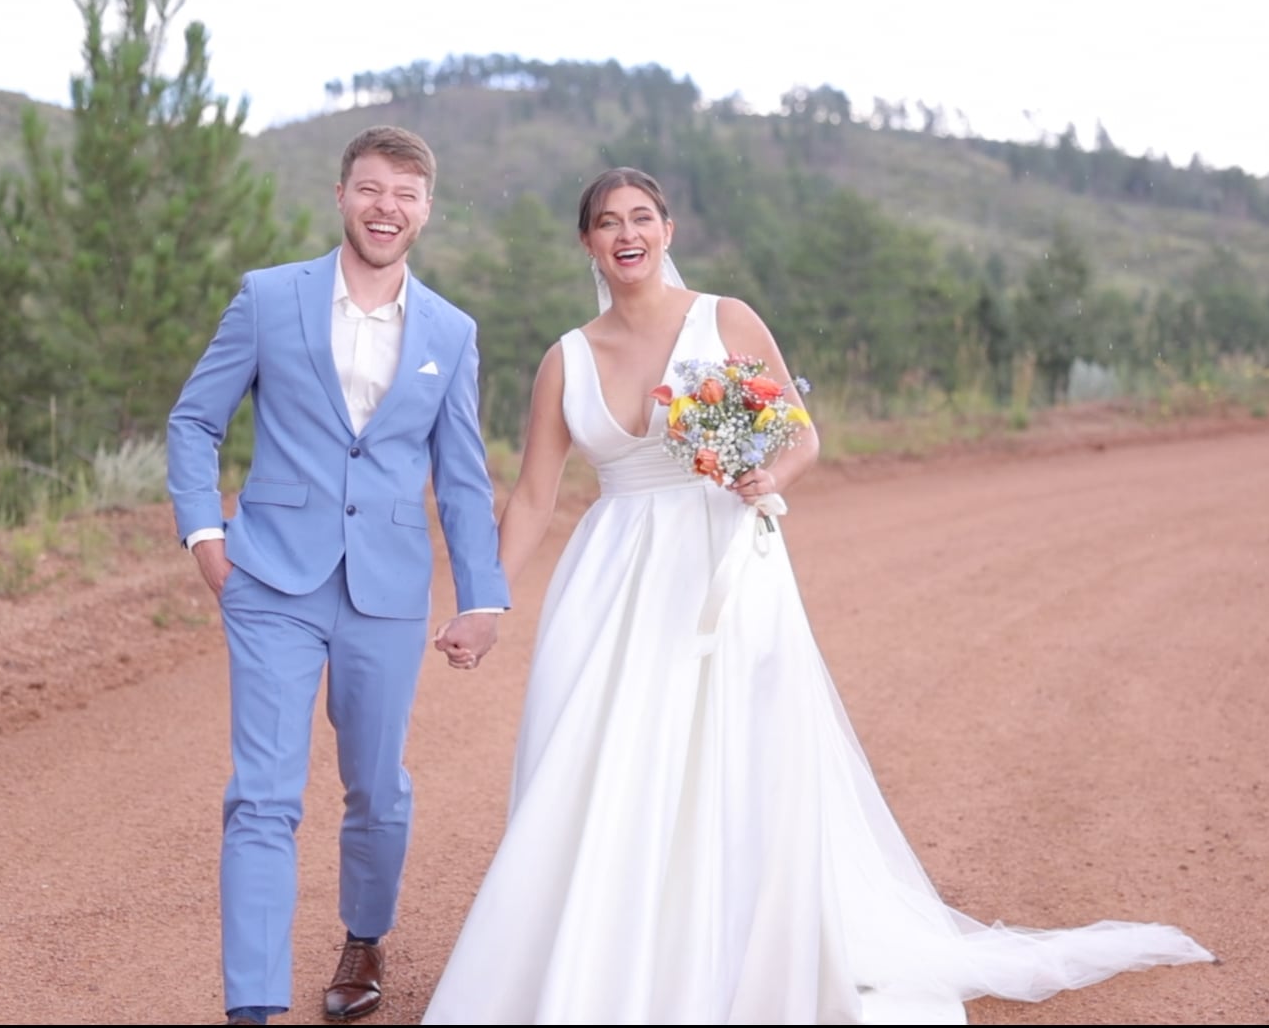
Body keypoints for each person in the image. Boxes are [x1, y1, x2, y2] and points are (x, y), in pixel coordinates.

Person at [419, 167, 1216, 1024]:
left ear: (669, 229)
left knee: (732, 758)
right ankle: (598, 962)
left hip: (723, 563)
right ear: (586, 242)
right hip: (610, 581)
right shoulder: (564, 359)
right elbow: (536, 495)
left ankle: (727, 960)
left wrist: (768, 473)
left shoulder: (724, 320)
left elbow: (800, 432)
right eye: (607, 222)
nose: (627, 233)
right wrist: (485, 602)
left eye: (642, 217)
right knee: (594, 761)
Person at [166, 125, 511, 1026]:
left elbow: (463, 477)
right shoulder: (269, 298)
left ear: (425, 209)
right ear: (341, 195)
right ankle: (253, 1005)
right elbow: (194, 421)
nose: (384, 207)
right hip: (271, 577)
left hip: (389, 591)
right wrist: (207, 534)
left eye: (404, 193)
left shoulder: (452, 331)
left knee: (375, 787)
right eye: (369, 188)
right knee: (263, 797)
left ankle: (364, 936)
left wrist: (482, 597)